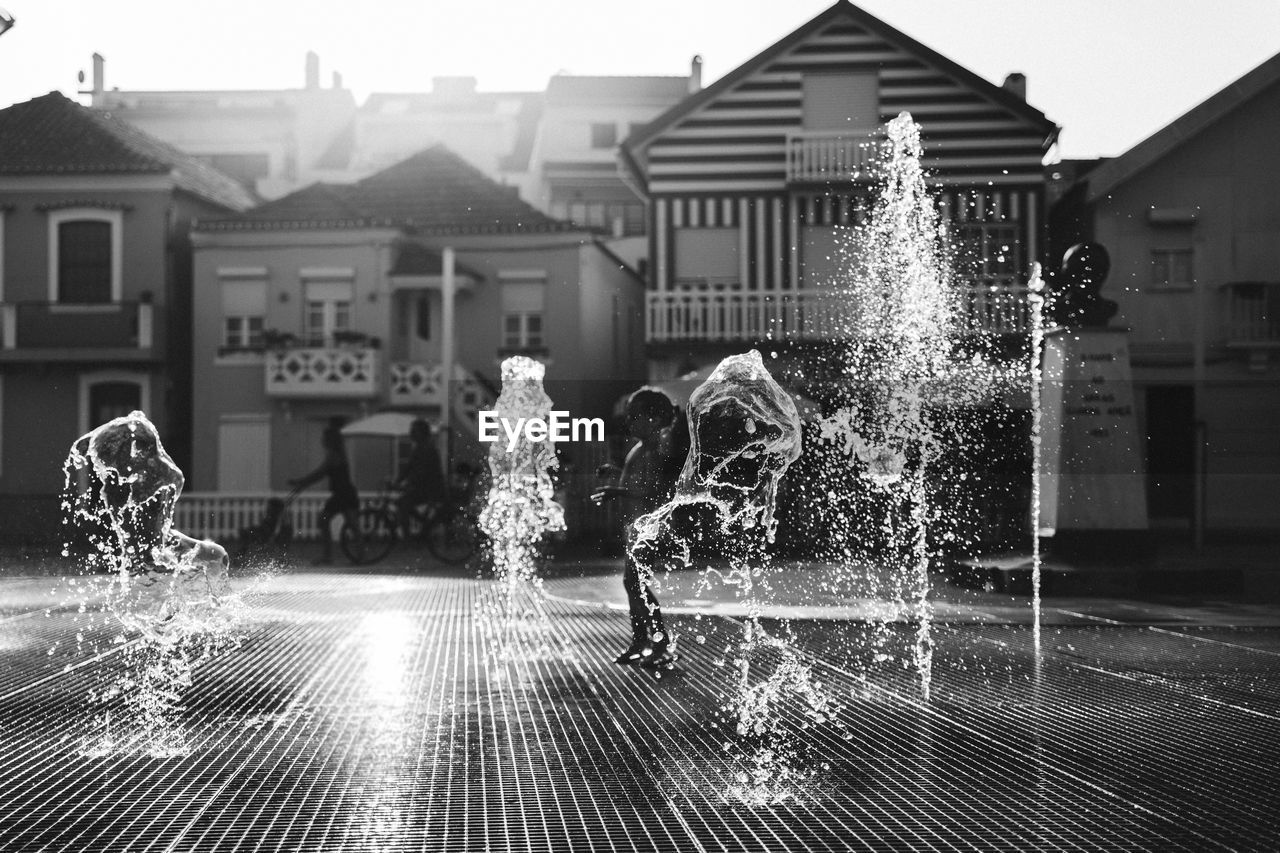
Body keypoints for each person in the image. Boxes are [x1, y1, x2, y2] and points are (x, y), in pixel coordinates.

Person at [592, 387, 682, 668]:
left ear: (653, 419)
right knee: (633, 583)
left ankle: (659, 643)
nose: (629, 422)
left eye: (634, 416)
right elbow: (637, 483)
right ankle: (642, 640)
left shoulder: (657, 450)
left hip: (651, 529)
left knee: (636, 584)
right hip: (637, 527)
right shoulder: (641, 449)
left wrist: (616, 492)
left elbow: (654, 492)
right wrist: (617, 474)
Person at [290, 419, 361, 564]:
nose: (322, 440)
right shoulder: (337, 454)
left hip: (343, 494)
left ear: (330, 440)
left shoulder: (334, 456)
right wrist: (302, 483)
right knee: (349, 524)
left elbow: (320, 473)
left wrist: (301, 482)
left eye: (325, 438)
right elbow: (320, 474)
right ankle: (357, 556)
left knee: (329, 521)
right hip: (344, 494)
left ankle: (330, 556)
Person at [391, 419, 447, 538]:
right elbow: (408, 468)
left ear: (421, 433)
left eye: (413, 431)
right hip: (424, 487)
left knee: (404, 504)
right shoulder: (419, 448)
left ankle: (408, 537)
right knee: (402, 503)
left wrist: (405, 483)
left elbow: (421, 472)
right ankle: (423, 525)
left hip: (431, 489)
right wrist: (398, 481)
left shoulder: (427, 449)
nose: (410, 433)